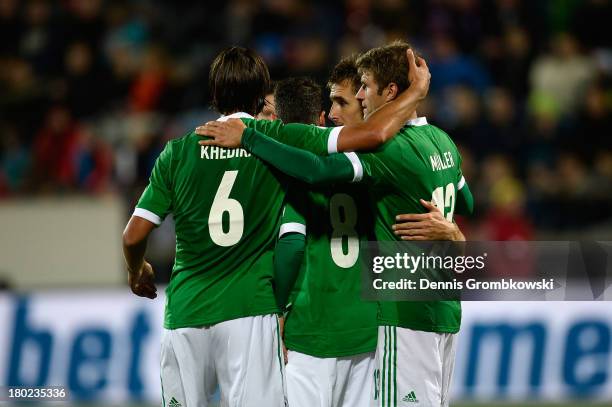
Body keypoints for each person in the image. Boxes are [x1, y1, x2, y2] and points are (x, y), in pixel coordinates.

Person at [122, 45, 431, 407]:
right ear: (262, 96)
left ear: (214, 94)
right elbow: (373, 135)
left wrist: (136, 269)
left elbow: (133, 235)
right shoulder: (277, 139)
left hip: (187, 310)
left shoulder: (177, 152)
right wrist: (414, 94)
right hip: (250, 309)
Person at [197, 41, 473, 407]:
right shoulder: (441, 140)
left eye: (357, 95)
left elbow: (313, 178)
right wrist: (450, 230)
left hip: (367, 321)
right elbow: (465, 200)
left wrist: (249, 136)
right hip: (417, 315)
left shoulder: (377, 154)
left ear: (387, 93)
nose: (349, 103)